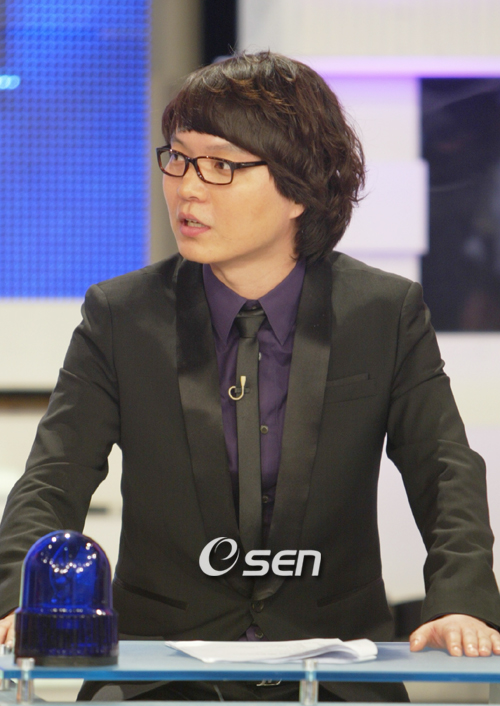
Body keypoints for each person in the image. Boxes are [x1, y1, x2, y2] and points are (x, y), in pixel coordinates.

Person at [1, 51, 500, 701]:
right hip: (158, 672)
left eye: (221, 166)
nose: (188, 188)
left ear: (300, 186)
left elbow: (443, 468)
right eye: (178, 159)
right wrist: (15, 598)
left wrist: (461, 600)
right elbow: (53, 476)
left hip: (335, 665)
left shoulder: (383, 311)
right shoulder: (120, 315)